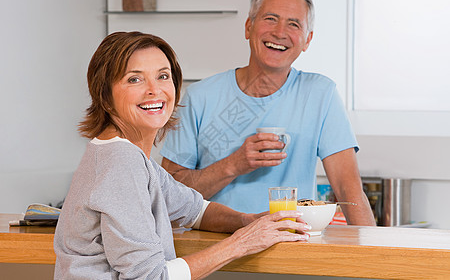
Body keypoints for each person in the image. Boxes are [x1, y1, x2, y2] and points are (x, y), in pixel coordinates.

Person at [53, 31, 311, 280]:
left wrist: (248, 221)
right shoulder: (122, 162)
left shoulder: (130, 157)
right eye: (135, 79)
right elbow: (152, 277)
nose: (154, 90)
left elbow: (195, 210)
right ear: (106, 98)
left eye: (163, 76)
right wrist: (242, 243)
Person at [160, 0, 376, 226]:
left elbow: (350, 192)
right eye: (270, 19)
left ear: (307, 40)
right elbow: (168, 198)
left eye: (294, 24)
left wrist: (375, 258)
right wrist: (234, 164)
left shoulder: (321, 95)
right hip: (215, 250)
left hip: (291, 248)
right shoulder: (200, 96)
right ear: (248, 27)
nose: (279, 32)